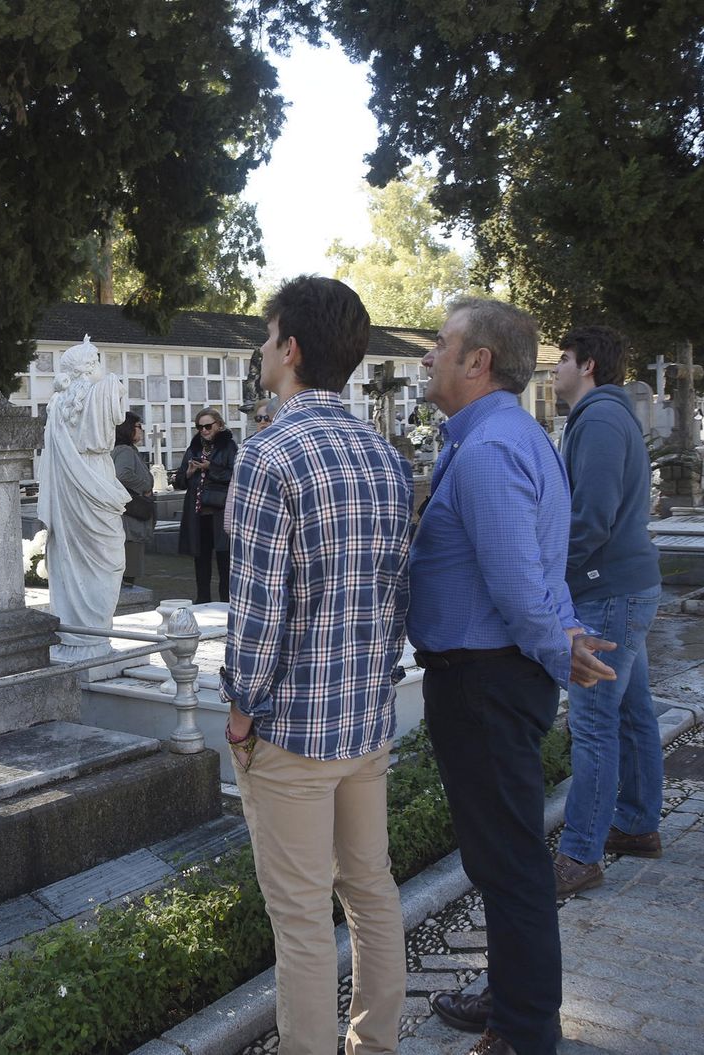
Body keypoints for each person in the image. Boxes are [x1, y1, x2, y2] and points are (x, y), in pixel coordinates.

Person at [410, 296, 616, 1055]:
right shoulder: (501, 438)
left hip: (485, 681)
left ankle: (525, 1030)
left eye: (442, 343)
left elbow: (518, 585)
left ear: (478, 362)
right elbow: (537, 574)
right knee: (502, 858)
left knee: (511, 863)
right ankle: (511, 993)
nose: (429, 356)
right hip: (491, 676)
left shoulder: (492, 448)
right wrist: (560, 637)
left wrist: (559, 647)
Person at [220, 275, 413, 1055]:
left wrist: (239, 708)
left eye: (266, 340)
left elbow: (258, 613)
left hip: (294, 733)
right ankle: (377, 1045)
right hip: (364, 721)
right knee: (371, 890)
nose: (262, 353)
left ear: (291, 350)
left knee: (301, 920)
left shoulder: (269, 455)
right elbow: (396, 593)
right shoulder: (384, 455)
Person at [549, 326, 665, 896]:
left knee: (593, 725)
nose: (555, 369)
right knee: (633, 712)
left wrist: (551, 577)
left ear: (588, 365)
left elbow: (590, 518)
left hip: (607, 590)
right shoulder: (611, 415)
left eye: (564, 359)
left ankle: (581, 853)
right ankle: (639, 825)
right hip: (627, 582)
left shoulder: (596, 418)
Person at [36, 337, 130, 660]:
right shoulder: (107, 390)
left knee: (75, 558)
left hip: (70, 488)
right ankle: (87, 637)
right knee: (107, 555)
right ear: (90, 368)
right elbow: (115, 396)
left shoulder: (56, 407)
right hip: (92, 481)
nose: (104, 367)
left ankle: (81, 634)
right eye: (99, 362)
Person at [172, 407, 236, 603]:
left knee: (225, 561)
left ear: (220, 425)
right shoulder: (194, 447)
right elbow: (179, 481)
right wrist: (189, 473)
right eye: (199, 427)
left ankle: (227, 603)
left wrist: (211, 468)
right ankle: (203, 601)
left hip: (220, 511)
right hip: (198, 512)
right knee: (201, 559)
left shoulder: (229, 447)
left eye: (208, 426)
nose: (204, 431)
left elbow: (235, 476)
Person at [112, 412, 155, 588]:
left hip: (126, 517)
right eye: (139, 426)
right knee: (129, 570)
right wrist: (145, 486)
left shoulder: (121, 449)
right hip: (130, 519)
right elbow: (122, 475)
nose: (142, 430)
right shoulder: (125, 451)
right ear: (128, 428)